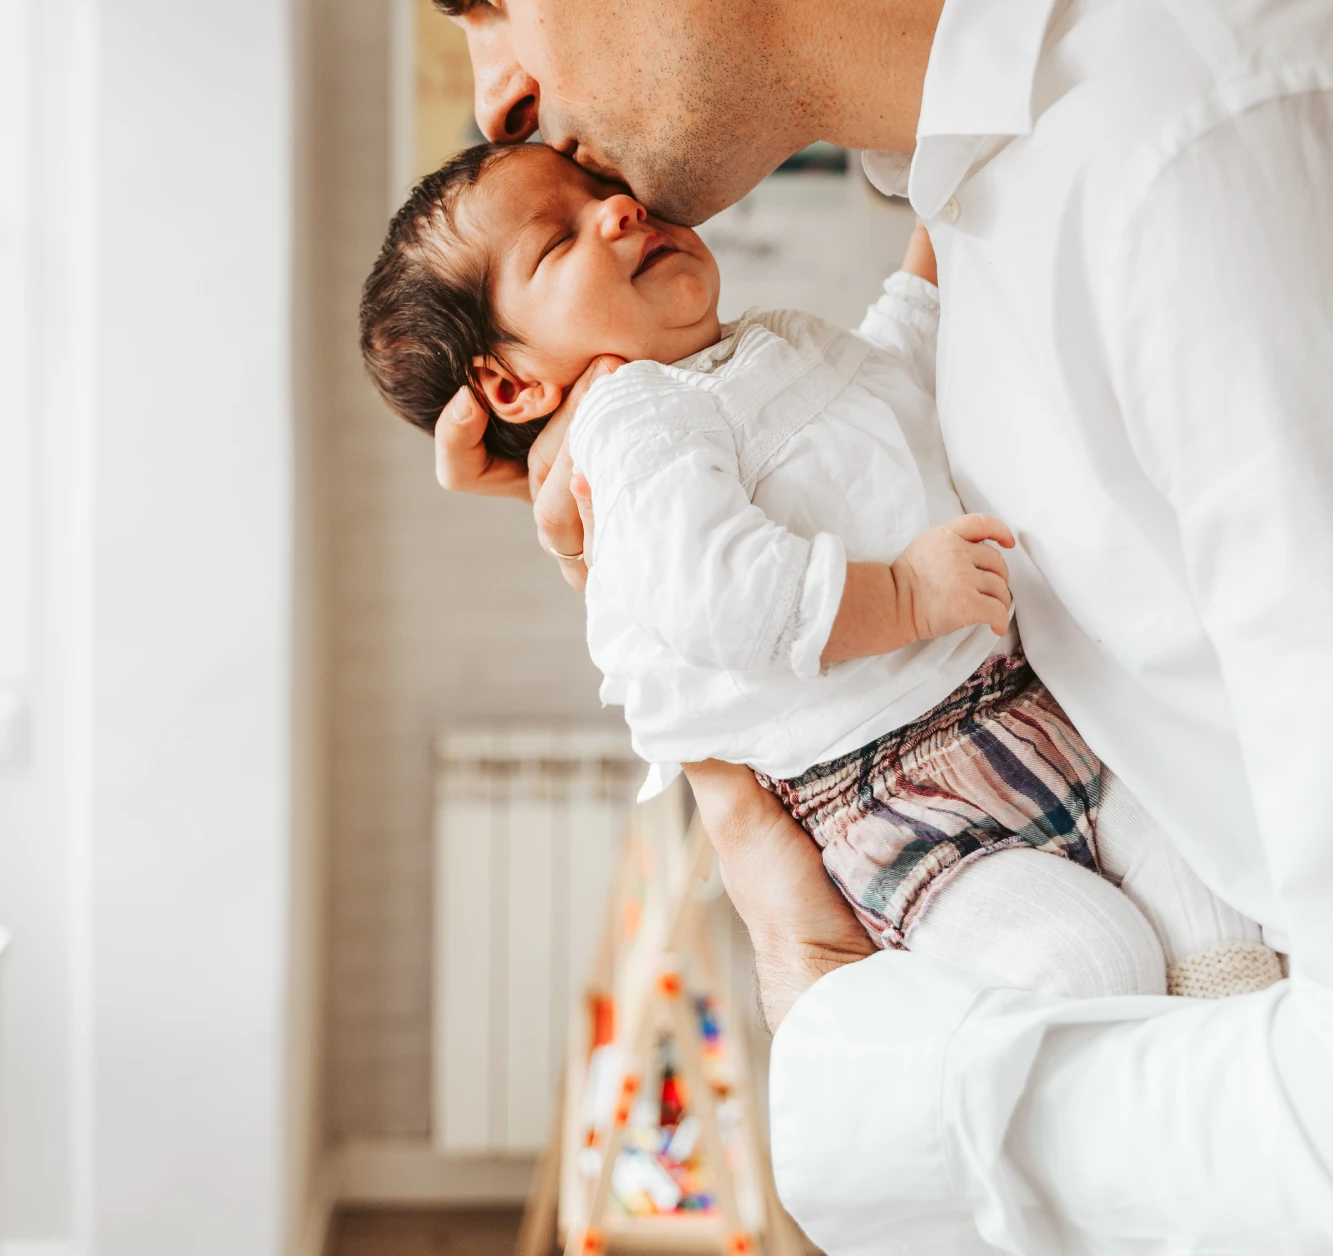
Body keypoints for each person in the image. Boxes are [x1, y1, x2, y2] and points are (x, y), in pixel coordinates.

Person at [317, 0, 1333, 1250]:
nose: (492, 98)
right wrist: (631, 482)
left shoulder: (1198, 133)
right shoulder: (1002, 185)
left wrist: (850, 1061)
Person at [357, 136, 1267, 998]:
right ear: (512, 387)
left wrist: (935, 233)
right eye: (558, 238)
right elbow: (721, 598)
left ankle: (1230, 1066)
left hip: (1033, 718)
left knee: (1212, 897)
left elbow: (895, 373)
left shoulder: (761, 346)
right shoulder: (629, 421)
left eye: (605, 192)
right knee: (1089, 961)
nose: (621, 210)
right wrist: (904, 597)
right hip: (902, 796)